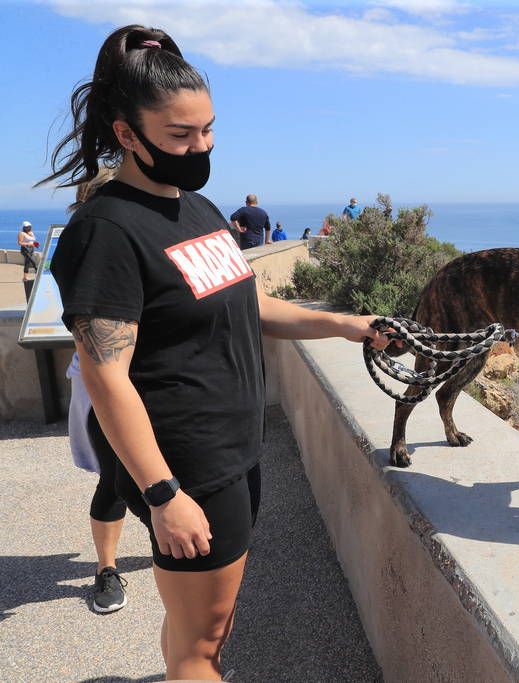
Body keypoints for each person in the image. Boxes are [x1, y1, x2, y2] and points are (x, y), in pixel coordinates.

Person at [38, 25, 393, 681]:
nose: (200, 146)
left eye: (207, 130)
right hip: (188, 462)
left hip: (235, 449)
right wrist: (164, 491)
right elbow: (105, 372)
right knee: (205, 646)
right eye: (180, 135)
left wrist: (346, 323)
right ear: (126, 134)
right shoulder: (107, 231)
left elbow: (247, 302)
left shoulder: (197, 208)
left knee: (196, 625)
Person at [66, 166, 130, 613]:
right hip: (107, 383)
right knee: (114, 478)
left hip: (160, 381)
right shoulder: (88, 247)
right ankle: (105, 568)